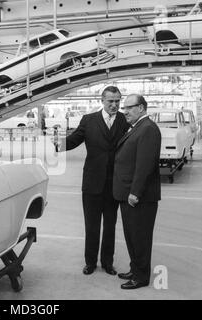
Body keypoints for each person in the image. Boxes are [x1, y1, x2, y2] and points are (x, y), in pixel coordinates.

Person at [58, 86, 129, 275]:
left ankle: (107, 262)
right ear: (102, 101)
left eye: (117, 101)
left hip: (114, 183)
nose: (114, 105)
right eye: (110, 101)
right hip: (92, 182)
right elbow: (74, 140)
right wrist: (54, 145)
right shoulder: (89, 120)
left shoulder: (124, 120)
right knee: (92, 225)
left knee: (110, 225)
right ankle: (90, 262)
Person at [113, 94, 161, 289]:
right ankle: (136, 268)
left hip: (138, 197)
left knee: (140, 237)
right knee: (132, 236)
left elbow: (145, 165)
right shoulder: (138, 128)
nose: (124, 112)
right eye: (124, 108)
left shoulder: (148, 129)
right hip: (128, 194)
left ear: (141, 108)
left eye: (129, 107)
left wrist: (135, 192)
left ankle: (141, 277)